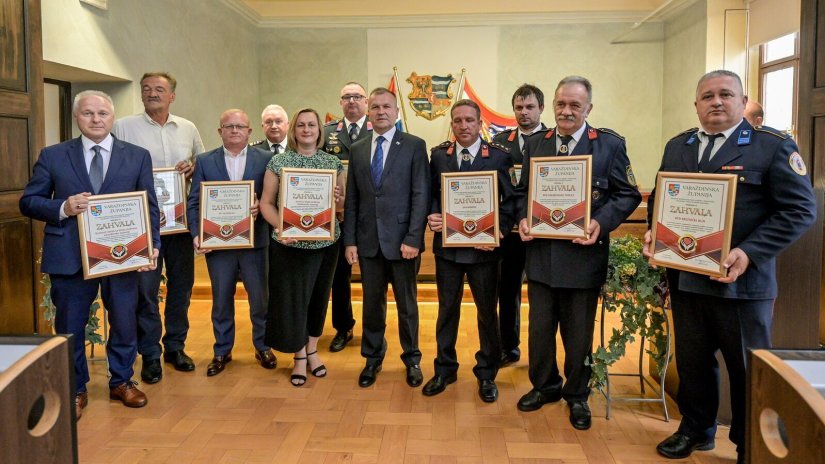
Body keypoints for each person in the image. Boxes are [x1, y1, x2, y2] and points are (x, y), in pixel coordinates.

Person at [644, 70, 816, 464]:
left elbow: (800, 210)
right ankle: (696, 429)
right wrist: (655, 234)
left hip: (743, 285)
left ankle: (748, 443)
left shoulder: (770, 147)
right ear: (697, 104)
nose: (716, 102)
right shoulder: (679, 146)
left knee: (746, 370)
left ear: (742, 101)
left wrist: (750, 252)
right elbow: (661, 197)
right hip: (688, 278)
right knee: (693, 362)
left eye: (725, 94)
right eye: (707, 96)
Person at [20, 90, 161, 418]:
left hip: (123, 255)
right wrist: (63, 207)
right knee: (71, 324)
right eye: (88, 113)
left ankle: (122, 381)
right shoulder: (53, 155)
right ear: (76, 117)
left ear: (112, 118)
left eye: (102, 114)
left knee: (125, 320)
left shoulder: (137, 155)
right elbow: (29, 201)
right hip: (70, 257)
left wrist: (151, 246)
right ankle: (76, 387)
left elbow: (149, 205)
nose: (96, 119)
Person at [516, 76, 641, 430]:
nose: (566, 111)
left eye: (574, 105)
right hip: (541, 257)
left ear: (589, 108)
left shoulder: (609, 146)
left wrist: (601, 221)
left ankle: (577, 395)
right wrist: (522, 219)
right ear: (553, 105)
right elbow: (520, 193)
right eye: (561, 104)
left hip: (583, 258)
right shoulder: (536, 144)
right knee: (539, 331)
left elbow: (627, 194)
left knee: (578, 334)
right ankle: (544, 386)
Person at [423, 99, 519, 402]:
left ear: (480, 125)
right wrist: (433, 214)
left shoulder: (499, 157)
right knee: (446, 310)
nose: (463, 126)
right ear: (452, 124)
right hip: (448, 250)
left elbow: (511, 201)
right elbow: (431, 194)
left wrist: (499, 230)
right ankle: (444, 369)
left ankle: (487, 372)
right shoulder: (439, 157)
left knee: (487, 313)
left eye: (469, 121)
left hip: (484, 250)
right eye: (458, 121)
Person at [113, 71, 205, 383]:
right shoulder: (123, 127)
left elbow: (200, 166)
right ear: (141, 94)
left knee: (182, 286)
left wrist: (192, 168)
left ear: (172, 96)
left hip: (179, 226)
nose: (153, 93)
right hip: (142, 225)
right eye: (147, 89)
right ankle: (150, 352)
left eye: (160, 89)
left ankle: (175, 347)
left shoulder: (188, 128)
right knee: (146, 291)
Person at [343, 87, 429, 388]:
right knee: (372, 304)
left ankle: (412, 359)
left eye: (387, 107)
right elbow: (352, 199)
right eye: (376, 106)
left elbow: (420, 194)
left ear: (396, 112)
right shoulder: (358, 149)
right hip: (368, 242)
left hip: (403, 242)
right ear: (369, 111)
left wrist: (414, 238)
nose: (381, 111)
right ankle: (373, 358)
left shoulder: (415, 146)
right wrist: (350, 241)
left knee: (407, 305)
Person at [187, 109, 277, 376]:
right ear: (220, 131)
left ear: (250, 132)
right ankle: (222, 349)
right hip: (219, 246)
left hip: (255, 243)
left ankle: (263, 345)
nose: (234, 130)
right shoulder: (204, 161)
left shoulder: (267, 159)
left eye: (240, 126)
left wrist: (261, 207)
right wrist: (196, 234)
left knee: (260, 299)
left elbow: (276, 198)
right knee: (221, 299)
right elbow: (194, 202)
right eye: (229, 126)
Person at [259, 108, 345, 386]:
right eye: (301, 125)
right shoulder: (279, 162)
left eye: (312, 125)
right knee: (294, 302)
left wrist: (336, 197)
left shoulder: (333, 164)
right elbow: (266, 204)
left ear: (320, 131)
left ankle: (312, 351)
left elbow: (342, 208)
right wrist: (281, 229)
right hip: (290, 245)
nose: (307, 129)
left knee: (319, 299)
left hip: (325, 244)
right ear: (293, 130)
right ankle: (298, 357)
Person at [491, 83, 546, 368]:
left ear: (541, 109)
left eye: (530, 107)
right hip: (510, 232)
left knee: (541, 295)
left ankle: (540, 351)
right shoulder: (500, 143)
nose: (524, 113)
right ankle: (509, 346)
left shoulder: (553, 140)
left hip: (543, 232)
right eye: (519, 107)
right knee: (507, 289)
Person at [323, 81, 372, 353]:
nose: (352, 101)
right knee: (338, 278)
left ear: (365, 102)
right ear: (340, 102)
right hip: (337, 219)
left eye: (357, 96)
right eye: (346, 97)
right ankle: (344, 327)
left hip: (370, 218)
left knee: (373, 278)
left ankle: (373, 330)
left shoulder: (380, 129)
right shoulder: (327, 133)